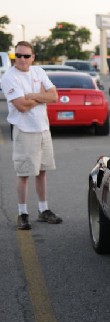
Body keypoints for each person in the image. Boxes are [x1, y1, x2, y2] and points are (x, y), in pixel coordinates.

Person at [1, 41, 62, 230]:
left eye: (26, 56)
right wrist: (40, 95)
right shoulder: (9, 77)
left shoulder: (38, 71)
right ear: (14, 57)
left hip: (43, 129)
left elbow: (54, 96)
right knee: (24, 173)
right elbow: (20, 105)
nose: (22, 59)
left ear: (32, 57)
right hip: (24, 130)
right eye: (18, 56)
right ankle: (22, 213)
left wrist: (31, 96)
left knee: (42, 172)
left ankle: (43, 210)